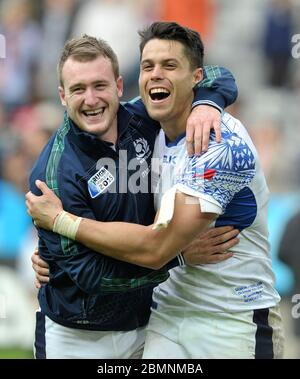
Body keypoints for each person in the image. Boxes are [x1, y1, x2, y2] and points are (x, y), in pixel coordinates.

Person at [27, 22, 284, 359]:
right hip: (88, 330)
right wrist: (58, 254)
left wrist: (209, 101)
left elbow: (158, 248)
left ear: (119, 87)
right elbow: (90, 273)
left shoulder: (193, 135)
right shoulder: (55, 173)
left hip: (231, 318)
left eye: (100, 85)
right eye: (148, 66)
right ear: (62, 96)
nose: (91, 99)